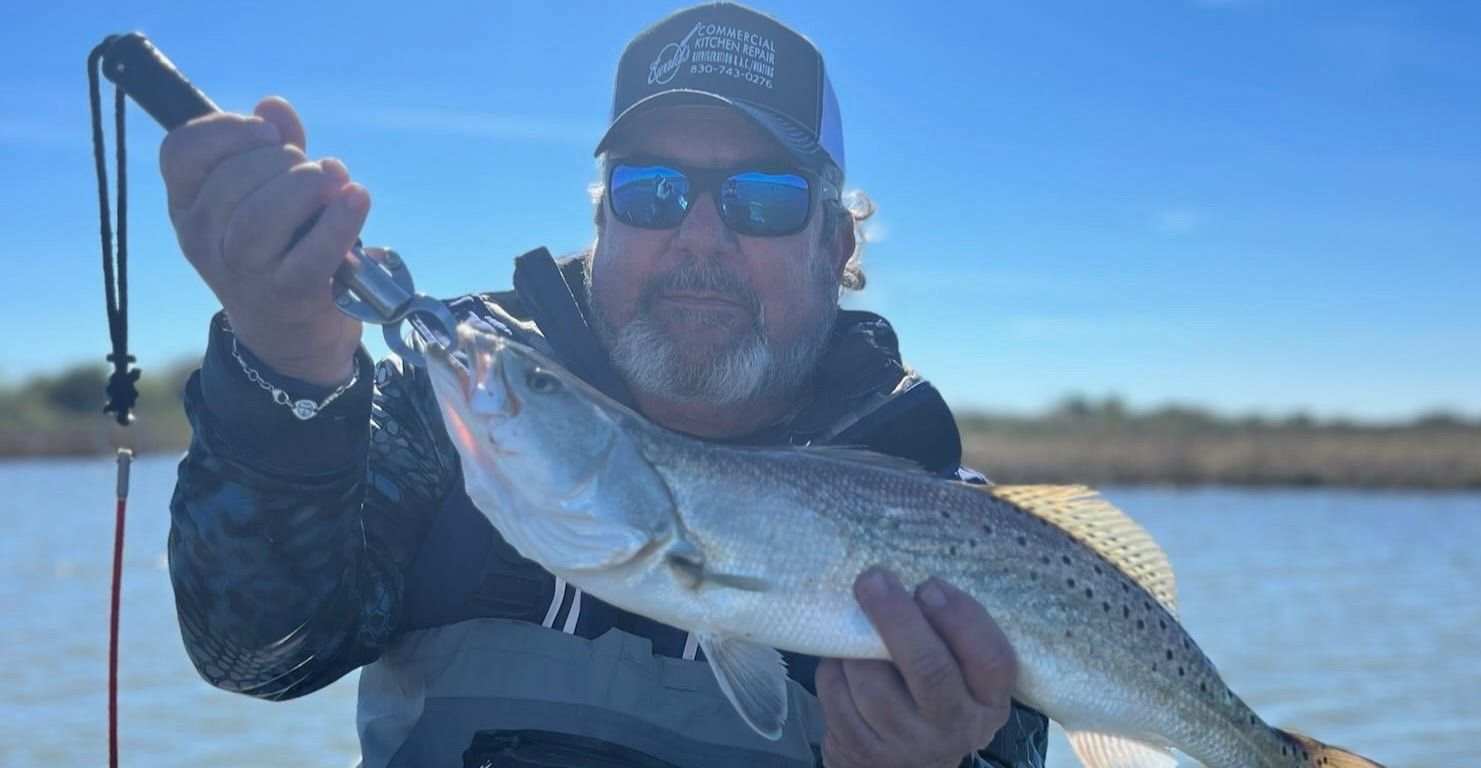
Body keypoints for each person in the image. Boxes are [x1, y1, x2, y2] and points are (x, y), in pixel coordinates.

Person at [161, 3, 1050, 766]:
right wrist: (284, 365)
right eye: (652, 190)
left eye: (764, 197)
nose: (700, 233)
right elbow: (256, 655)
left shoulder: (969, 532)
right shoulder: (450, 422)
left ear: (835, 246)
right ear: (601, 221)